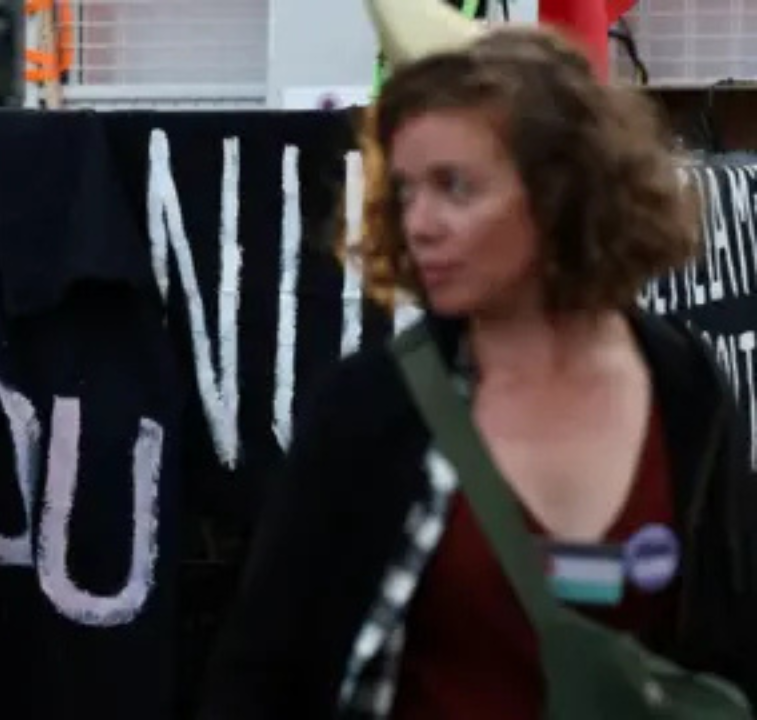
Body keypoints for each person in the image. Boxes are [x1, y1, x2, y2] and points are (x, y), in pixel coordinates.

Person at [198, 21, 757, 720]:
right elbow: (259, 676)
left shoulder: (682, 387)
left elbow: (731, 643)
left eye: (455, 187)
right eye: (406, 192)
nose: (419, 224)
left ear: (560, 190)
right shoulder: (373, 408)